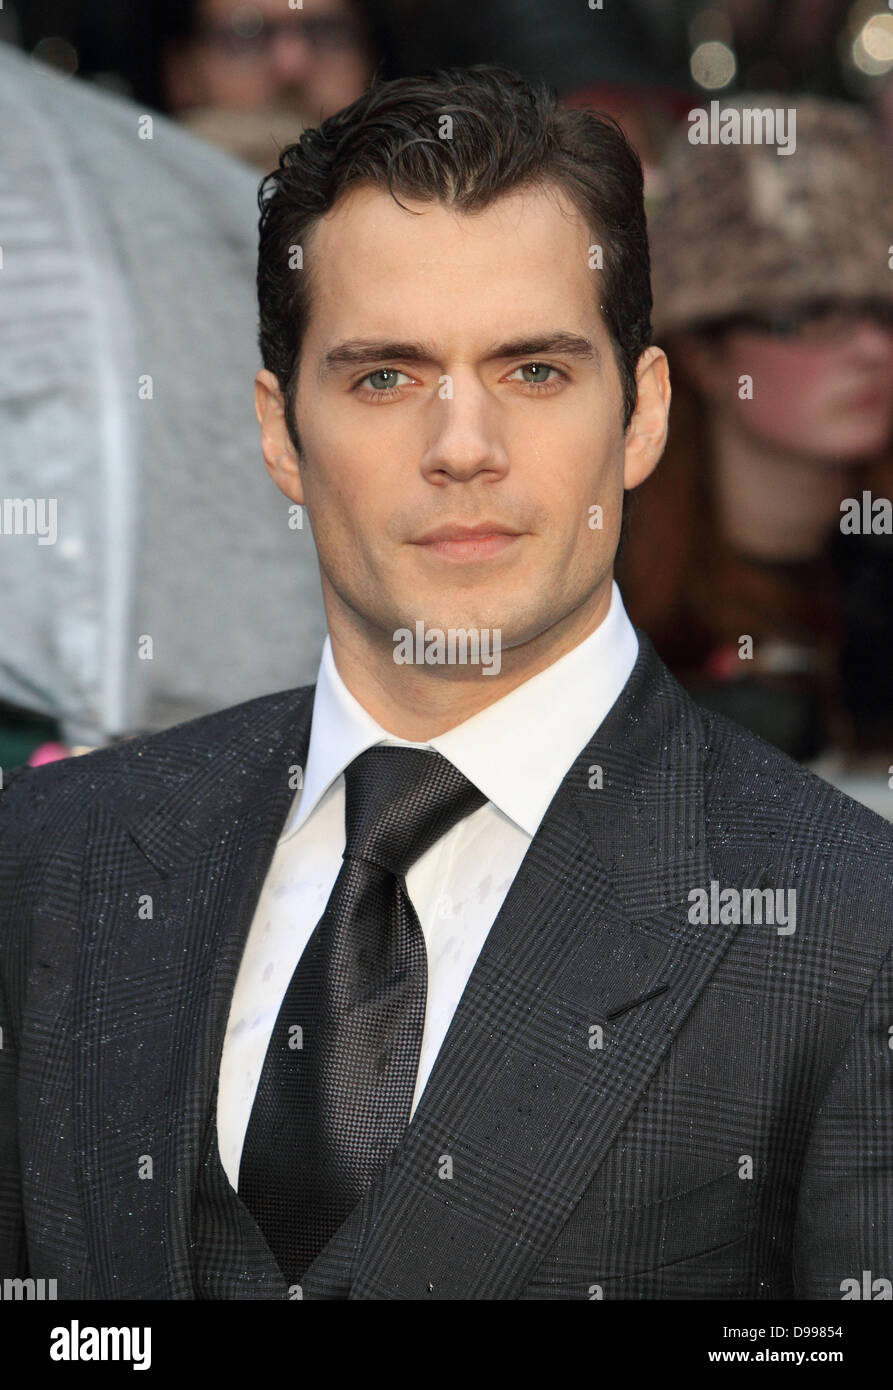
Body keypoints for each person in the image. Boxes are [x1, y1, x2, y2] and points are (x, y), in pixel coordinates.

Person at [1, 65, 891, 1301]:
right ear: (278, 433)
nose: (461, 448)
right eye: (385, 377)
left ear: (638, 418)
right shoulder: (52, 859)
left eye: (532, 372)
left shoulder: (851, 924)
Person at [618, 97, 893, 777]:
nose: (869, 349)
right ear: (705, 355)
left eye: (881, 312)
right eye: (811, 313)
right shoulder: (605, 602)